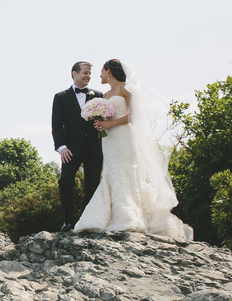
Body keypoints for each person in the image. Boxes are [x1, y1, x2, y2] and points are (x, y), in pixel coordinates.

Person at [73, 59, 192, 240]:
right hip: (109, 140)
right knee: (111, 173)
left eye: (102, 71)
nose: (99, 75)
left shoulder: (125, 89)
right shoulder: (105, 95)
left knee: (126, 172)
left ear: (109, 71)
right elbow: (107, 117)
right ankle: (107, 216)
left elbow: (135, 115)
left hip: (123, 137)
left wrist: (111, 123)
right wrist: (100, 122)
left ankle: (129, 216)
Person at [51, 61, 103, 231]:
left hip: (94, 148)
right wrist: (62, 147)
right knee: (65, 181)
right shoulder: (60, 97)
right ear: (74, 73)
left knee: (92, 185)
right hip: (71, 149)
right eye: (85, 73)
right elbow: (57, 125)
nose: (88, 76)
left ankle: (86, 222)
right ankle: (67, 221)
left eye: (90, 74)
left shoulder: (98, 95)